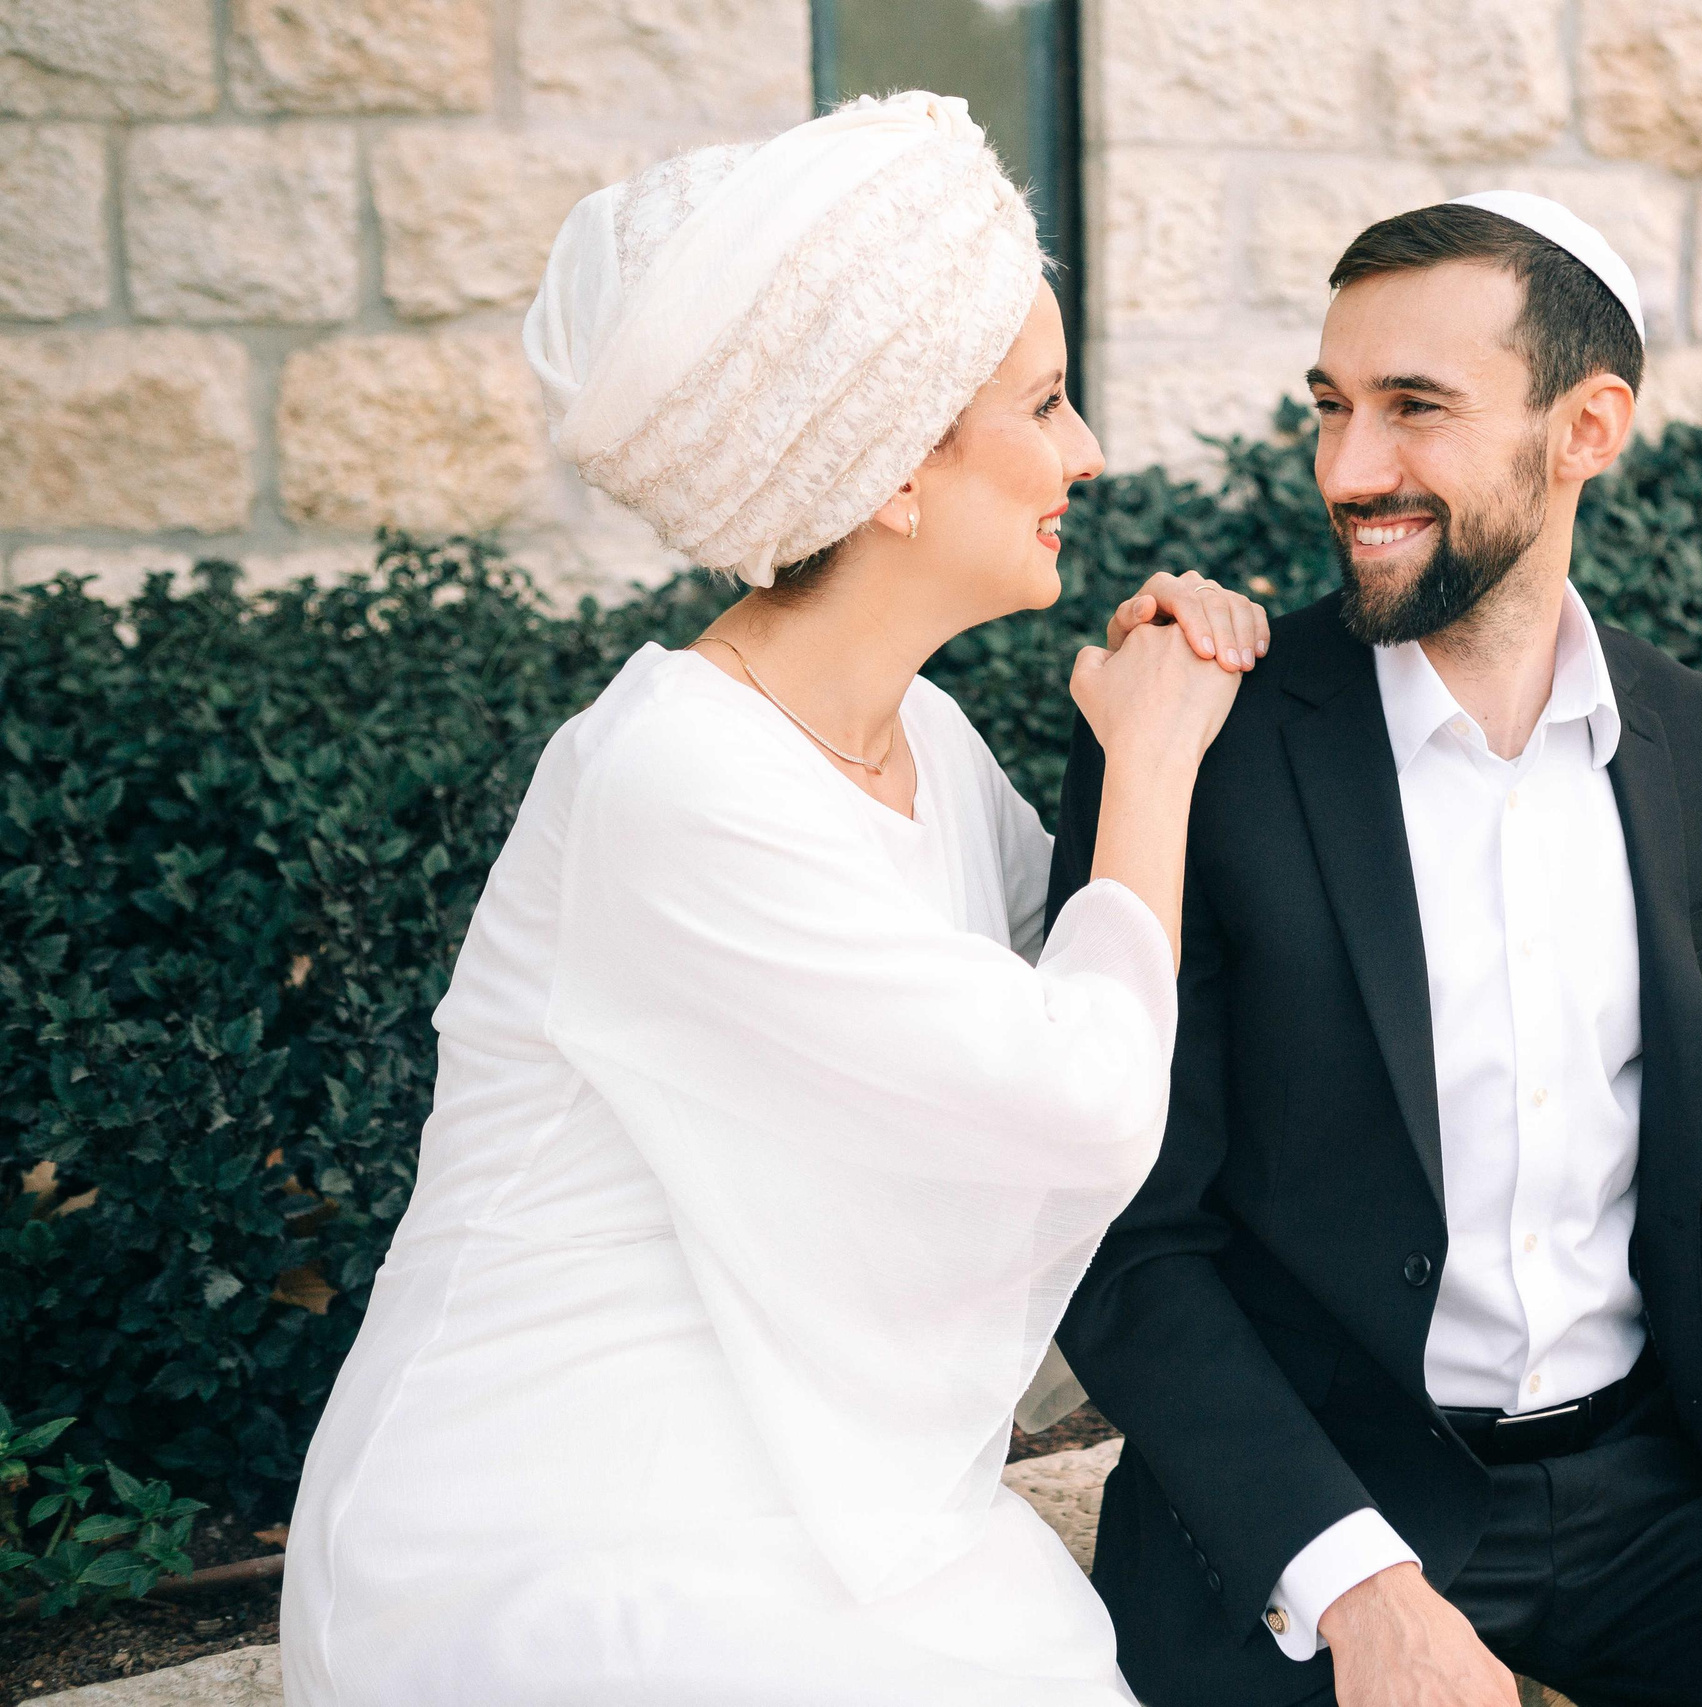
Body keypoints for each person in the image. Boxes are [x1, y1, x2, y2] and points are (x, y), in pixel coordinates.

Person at [280, 93, 1265, 1706]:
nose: (1087, 451)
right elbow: (1081, 1095)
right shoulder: (672, 778)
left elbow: (1103, 973)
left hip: (796, 1448)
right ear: (891, 474)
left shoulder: (927, 740)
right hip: (550, 1519)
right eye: (1046, 403)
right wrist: (1146, 770)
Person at [1048, 196, 1702, 1707]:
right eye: (1332, 409)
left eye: (1417, 409)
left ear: (1585, 427)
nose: (1349, 470)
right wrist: (1356, 1584)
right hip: (1306, 1502)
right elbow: (1128, 1244)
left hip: (1640, 1493)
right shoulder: (1200, 738)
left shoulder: (1689, 733)